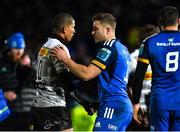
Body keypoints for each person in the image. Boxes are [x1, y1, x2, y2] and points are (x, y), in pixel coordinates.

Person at [52, 12, 133, 131]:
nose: (92, 32)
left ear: (107, 30)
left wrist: (65, 59)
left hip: (113, 105)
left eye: (96, 29)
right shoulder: (122, 48)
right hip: (118, 105)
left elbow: (86, 74)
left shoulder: (108, 47)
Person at [31, 13, 93, 131]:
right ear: (65, 29)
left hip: (38, 106)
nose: (74, 31)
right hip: (54, 107)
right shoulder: (59, 48)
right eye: (73, 27)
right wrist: (85, 103)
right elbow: (66, 82)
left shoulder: (45, 46)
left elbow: (56, 77)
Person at [132, 6, 180, 131]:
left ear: (159, 23)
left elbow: (139, 76)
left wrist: (135, 104)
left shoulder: (149, 42)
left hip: (160, 100)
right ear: (179, 21)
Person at [0, 32, 34, 130]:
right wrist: (4, 94)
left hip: (30, 113)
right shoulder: (2, 64)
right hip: (9, 114)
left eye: (21, 48)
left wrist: (31, 62)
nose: (19, 52)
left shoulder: (29, 62)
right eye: (16, 48)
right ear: (9, 49)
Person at [128, 24, 159, 130]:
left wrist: (134, 105)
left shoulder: (130, 59)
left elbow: (125, 85)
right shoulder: (161, 57)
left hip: (137, 110)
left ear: (138, 40)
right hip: (157, 108)